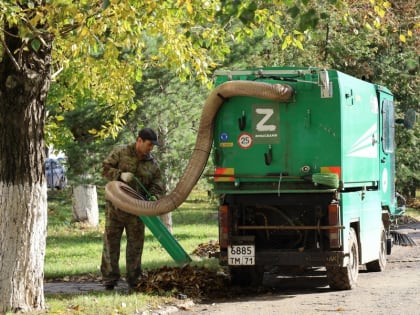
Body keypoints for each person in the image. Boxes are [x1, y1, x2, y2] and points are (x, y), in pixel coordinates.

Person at [101, 127, 165, 290]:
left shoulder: (152, 163)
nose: (151, 149)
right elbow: (104, 169)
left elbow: (157, 183)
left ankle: (134, 280)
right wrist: (120, 175)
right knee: (111, 243)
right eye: (149, 144)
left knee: (135, 246)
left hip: (137, 210)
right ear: (139, 141)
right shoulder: (121, 152)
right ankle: (109, 279)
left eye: (153, 146)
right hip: (115, 208)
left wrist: (153, 196)